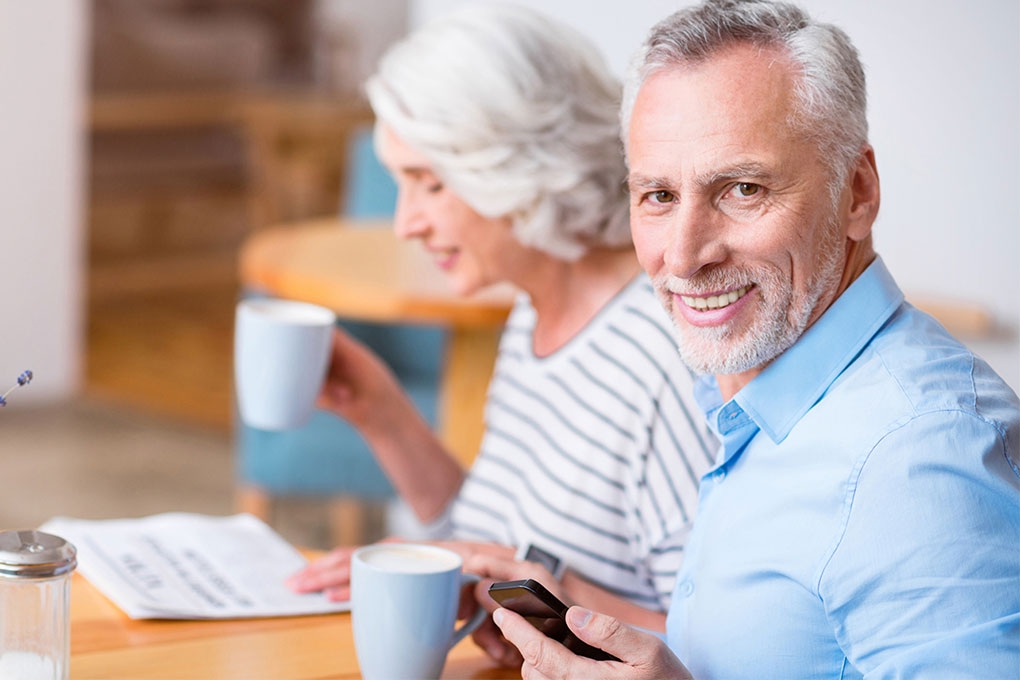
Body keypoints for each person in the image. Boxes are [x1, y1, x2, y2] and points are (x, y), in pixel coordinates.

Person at [473, 0, 1020, 677]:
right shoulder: (756, 394)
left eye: (742, 188)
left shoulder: (920, 458)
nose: (682, 256)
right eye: (659, 196)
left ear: (857, 192)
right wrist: (583, 617)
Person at [285, 2, 716, 644]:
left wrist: (552, 596)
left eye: (428, 184)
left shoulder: (658, 357)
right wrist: (378, 409)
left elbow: (718, 646)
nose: (406, 224)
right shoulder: (532, 312)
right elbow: (495, 547)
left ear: (518, 166)